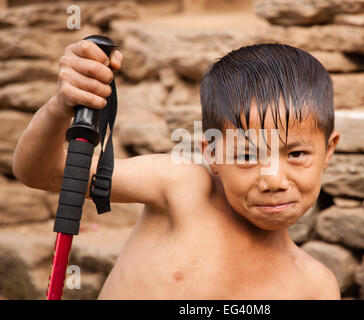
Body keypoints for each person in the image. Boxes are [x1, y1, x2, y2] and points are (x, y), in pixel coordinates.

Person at [12, 40, 341, 299]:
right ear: (211, 154)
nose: (273, 179)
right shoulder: (181, 186)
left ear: (328, 151)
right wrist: (61, 106)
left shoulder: (315, 286)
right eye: (245, 156)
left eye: (296, 153)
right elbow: (42, 172)